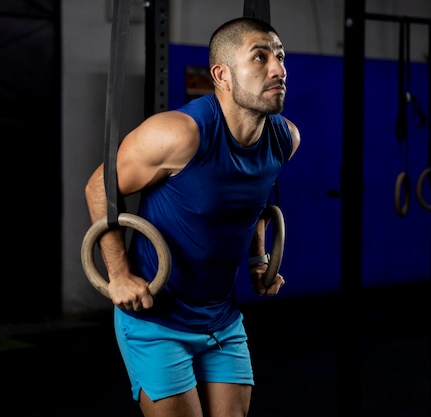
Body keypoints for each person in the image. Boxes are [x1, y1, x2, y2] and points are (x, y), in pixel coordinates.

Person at [85, 16, 301, 417]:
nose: (278, 69)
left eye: (280, 56)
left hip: (222, 318)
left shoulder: (284, 137)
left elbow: (255, 198)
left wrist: (259, 259)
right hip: (156, 320)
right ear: (221, 74)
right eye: (260, 57)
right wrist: (118, 274)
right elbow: (100, 187)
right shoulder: (180, 134)